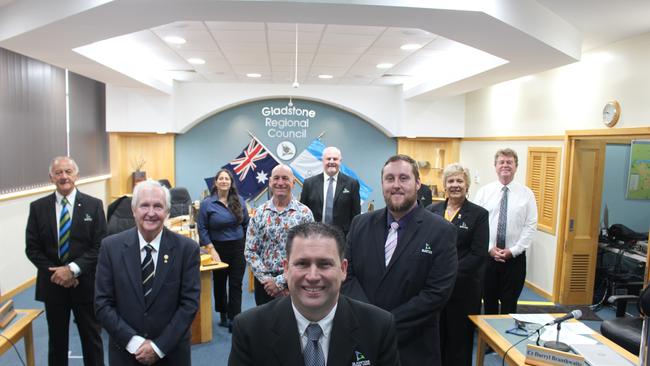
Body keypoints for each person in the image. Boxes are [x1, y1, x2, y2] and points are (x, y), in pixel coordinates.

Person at [229, 222, 400, 366]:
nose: (312, 276)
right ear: (286, 269)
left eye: (324, 264)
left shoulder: (378, 327)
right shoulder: (249, 330)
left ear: (343, 269)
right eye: (302, 263)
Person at [344, 154, 458, 366]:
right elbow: (346, 277)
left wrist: (385, 324)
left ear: (417, 184)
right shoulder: (360, 224)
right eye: (389, 179)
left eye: (404, 178)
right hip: (362, 341)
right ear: (382, 184)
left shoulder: (441, 231)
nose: (396, 185)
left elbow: (436, 294)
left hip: (414, 347)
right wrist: (368, 320)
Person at [95, 180, 200, 366]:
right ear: (134, 210)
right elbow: (102, 304)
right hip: (125, 353)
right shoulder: (110, 247)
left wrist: (158, 347)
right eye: (144, 205)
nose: (151, 213)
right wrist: (135, 343)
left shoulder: (187, 249)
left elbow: (189, 304)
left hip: (171, 353)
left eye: (158, 206)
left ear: (167, 212)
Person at [25, 156, 106, 366]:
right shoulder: (37, 208)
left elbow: (100, 245)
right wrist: (58, 273)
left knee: (92, 340)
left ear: (76, 176)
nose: (64, 177)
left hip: (85, 284)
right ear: (51, 178)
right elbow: (32, 249)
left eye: (68, 172)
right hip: (53, 285)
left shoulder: (94, 206)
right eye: (58, 173)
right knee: (57, 343)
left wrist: (72, 269)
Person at [427, 163, 489, 366]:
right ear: (444, 185)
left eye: (459, 181)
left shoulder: (479, 215)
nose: (455, 185)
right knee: (435, 338)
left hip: (463, 290)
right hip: (433, 289)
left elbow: (477, 255)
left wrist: (446, 273)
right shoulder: (431, 210)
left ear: (467, 185)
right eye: (451, 181)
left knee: (458, 341)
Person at [474, 148, 538, 315]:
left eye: (509, 162)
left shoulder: (527, 194)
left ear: (516, 166)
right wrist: (489, 248)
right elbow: (477, 225)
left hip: (514, 260)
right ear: (495, 166)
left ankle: (505, 340)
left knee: (510, 306)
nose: (505, 165)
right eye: (501, 162)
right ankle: (488, 341)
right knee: (489, 303)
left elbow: (530, 226)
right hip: (488, 258)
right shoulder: (483, 193)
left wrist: (513, 251)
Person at [245, 164, 314, 305]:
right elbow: (250, 250)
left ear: (293, 183)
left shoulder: (305, 213)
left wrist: (281, 281)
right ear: (270, 182)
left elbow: (310, 252)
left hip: (295, 281)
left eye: (285, 178)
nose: (280, 182)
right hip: (265, 285)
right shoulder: (259, 213)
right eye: (276, 178)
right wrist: (268, 281)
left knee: (294, 325)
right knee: (265, 325)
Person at [198, 169, 249, 332]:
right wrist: (211, 249)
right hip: (217, 248)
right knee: (219, 283)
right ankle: (223, 314)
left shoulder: (239, 201)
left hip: (238, 247)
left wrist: (247, 245)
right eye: (221, 178)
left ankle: (235, 318)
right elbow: (202, 228)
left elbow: (246, 224)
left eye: (227, 179)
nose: (224, 181)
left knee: (236, 283)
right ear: (216, 182)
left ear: (231, 182)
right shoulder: (207, 203)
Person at [299, 146, 360, 236]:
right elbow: (303, 212)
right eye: (328, 159)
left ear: (340, 161)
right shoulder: (309, 183)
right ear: (323, 160)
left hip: (342, 238)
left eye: (335, 159)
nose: (331, 162)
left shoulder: (352, 184)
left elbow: (356, 215)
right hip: (314, 236)